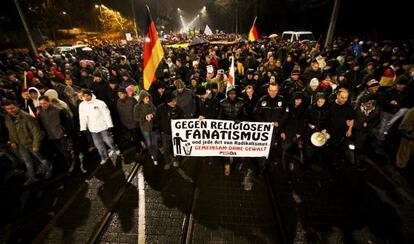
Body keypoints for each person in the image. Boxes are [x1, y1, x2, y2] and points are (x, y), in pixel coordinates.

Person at [4, 100, 52, 186]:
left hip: (31, 143)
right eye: (8, 109)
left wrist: (36, 145)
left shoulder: (26, 117)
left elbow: (36, 132)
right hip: (21, 145)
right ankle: (32, 177)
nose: (10, 110)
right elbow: (11, 131)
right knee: (27, 161)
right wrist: (12, 141)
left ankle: (49, 170)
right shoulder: (8, 118)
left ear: (17, 106)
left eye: (12, 108)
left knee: (42, 159)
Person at [79, 90, 120, 165]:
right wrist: (83, 128)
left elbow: (106, 114)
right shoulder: (82, 105)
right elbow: (82, 117)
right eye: (84, 96)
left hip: (103, 126)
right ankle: (104, 157)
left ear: (91, 95)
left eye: (87, 95)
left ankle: (115, 149)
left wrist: (110, 124)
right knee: (98, 145)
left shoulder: (99, 102)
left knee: (109, 141)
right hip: (93, 129)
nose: (86, 97)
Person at [38, 95, 76, 174]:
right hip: (52, 136)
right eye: (41, 104)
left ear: (49, 101)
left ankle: (72, 165)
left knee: (66, 152)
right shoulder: (41, 112)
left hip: (61, 134)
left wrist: (66, 133)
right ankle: (70, 164)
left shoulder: (59, 110)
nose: (43, 105)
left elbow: (67, 123)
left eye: (44, 103)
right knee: (62, 152)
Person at [218, 88, 247, 176]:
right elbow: (220, 116)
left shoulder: (242, 102)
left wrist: (240, 120)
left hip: (238, 128)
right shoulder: (222, 102)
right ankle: (227, 165)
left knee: (236, 145)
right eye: (230, 94)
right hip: (226, 128)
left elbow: (245, 115)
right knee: (225, 145)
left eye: (234, 93)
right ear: (227, 94)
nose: (232, 95)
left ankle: (235, 158)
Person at [326, 89, 355, 169]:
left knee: (336, 147)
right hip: (329, 130)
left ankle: (333, 162)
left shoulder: (348, 107)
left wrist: (350, 130)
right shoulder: (330, 105)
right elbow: (325, 118)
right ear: (337, 96)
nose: (344, 100)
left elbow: (351, 119)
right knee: (327, 146)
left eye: (346, 97)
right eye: (342, 97)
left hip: (340, 131)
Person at [155, 92, 185, 169]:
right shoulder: (160, 108)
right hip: (165, 133)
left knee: (177, 147)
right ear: (167, 101)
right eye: (172, 101)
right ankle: (167, 162)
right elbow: (157, 120)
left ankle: (176, 160)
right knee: (166, 149)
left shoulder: (178, 108)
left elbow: (183, 119)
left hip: (176, 133)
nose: (174, 102)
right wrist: (161, 130)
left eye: (175, 100)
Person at [134, 90, 159, 165]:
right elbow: (136, 118)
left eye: (148, 97)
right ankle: (152, 153)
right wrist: (145, 118)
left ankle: (155, 158)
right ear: (141, 98)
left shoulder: (151, 104)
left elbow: (156, 111)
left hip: (153, 127)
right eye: (145, 98)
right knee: (149, 143)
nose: (147, 99)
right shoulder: (137, 106)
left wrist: (152, 115)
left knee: (154, 144)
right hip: (145, 128)